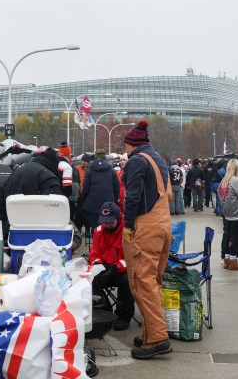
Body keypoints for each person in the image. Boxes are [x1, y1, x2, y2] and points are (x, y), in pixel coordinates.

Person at [122, 120, 173, 359]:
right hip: (163, 224)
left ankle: (157, 338)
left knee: (142, 282)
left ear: (132, 144)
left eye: (126, 146)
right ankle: (150, 331)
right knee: (154, 280)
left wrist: (129, 226)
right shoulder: (158, 159)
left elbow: (132, 197)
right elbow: (169, 195)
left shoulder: (136, 161)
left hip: (146, 225)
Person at [0, 147, 63, 236]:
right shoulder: (48, 176)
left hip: (11, 233)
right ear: (53, 162)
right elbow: (56, 212)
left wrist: (1, 232)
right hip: (37, 237)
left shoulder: (14, 174)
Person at [88, 202, 135, 331]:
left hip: (122, 270)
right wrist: (99, 266)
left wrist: (115, 268)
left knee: (126, 280)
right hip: (105, 269)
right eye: (105, 222)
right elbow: (94, 254)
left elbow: (132, 258)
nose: (107, 225)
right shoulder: (98, 231)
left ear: (118, 219)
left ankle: (123, 316)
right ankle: (105, 311)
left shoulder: (129, 230)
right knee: (89, 280)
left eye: (110, 222)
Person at [218, 159, 238, 270]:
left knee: (228, 236)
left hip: (227, 213)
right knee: (236, 237)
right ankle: (233, 260)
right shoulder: (237, 181)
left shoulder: (224, 181)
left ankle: (227, 258)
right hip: (237, 213)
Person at [80, 148, 120, 230]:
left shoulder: (89, 170)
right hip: (108, 203)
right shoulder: (111, 171)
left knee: (95, 227)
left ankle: (96, 238)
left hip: (92, 205)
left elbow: (85, 188)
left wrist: (83, 201)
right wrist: (114, 201)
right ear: (105, 158)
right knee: (107, 226)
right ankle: (105, 241)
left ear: (95, 157)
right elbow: (117, 187)